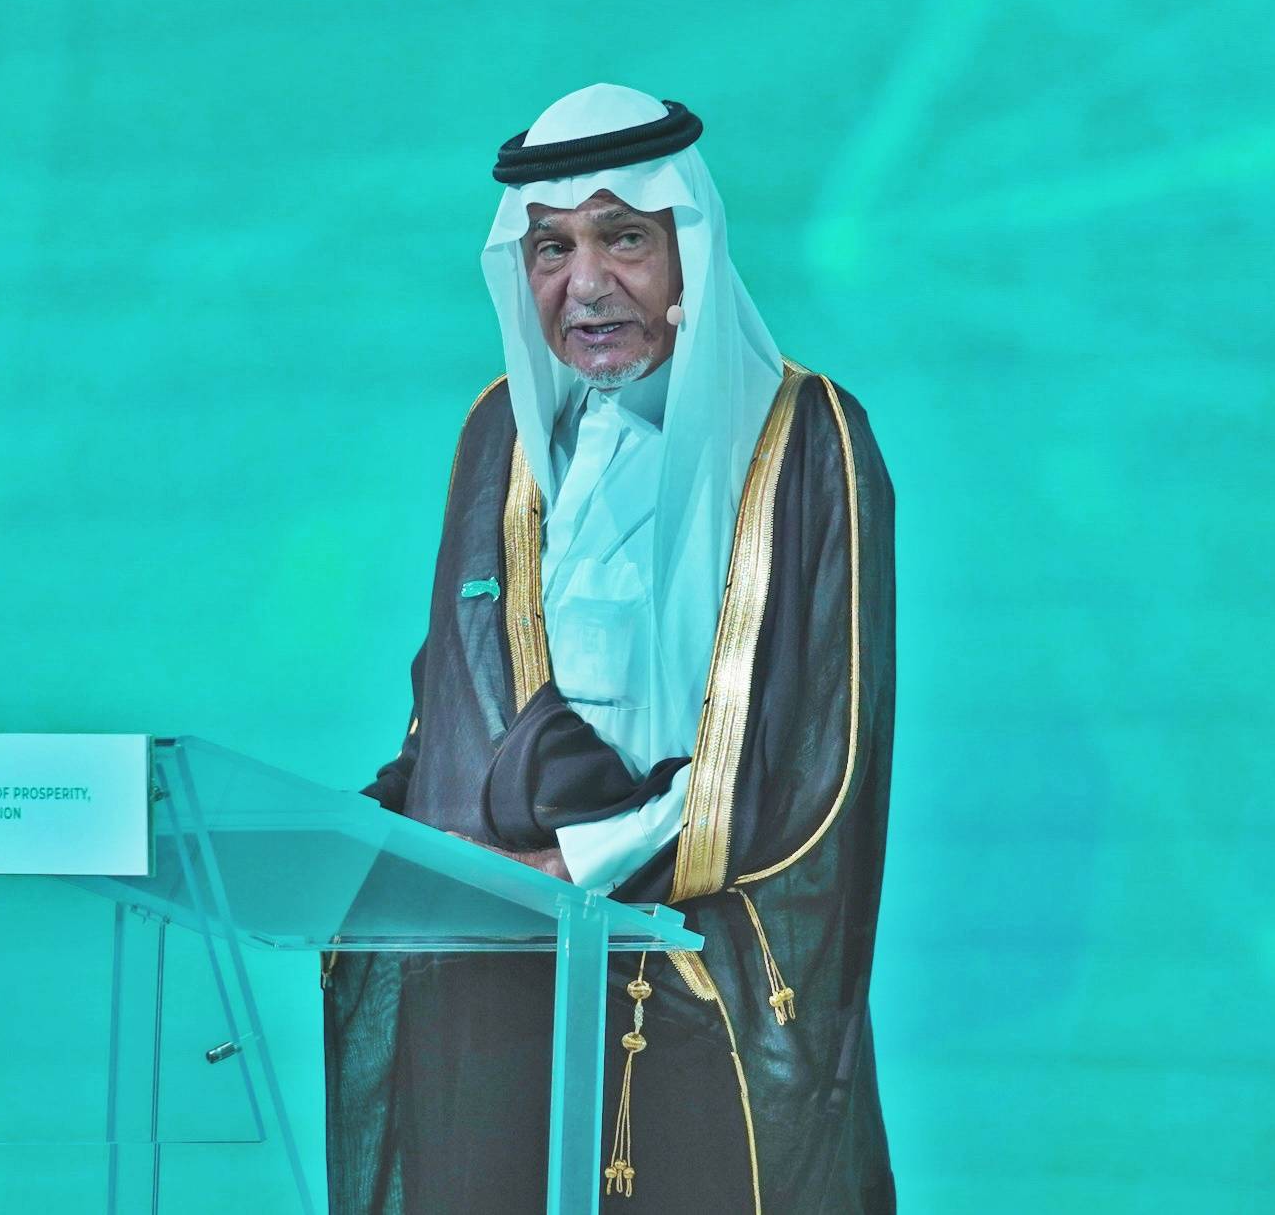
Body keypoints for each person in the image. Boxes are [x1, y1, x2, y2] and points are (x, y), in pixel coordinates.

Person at [324, 85, 896, 1212]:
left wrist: (574, 869)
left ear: (686, 250)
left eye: (622, 238)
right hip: (499, 977)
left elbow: (817, 759)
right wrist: (362, 841)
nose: (584, 284)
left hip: (690, 981)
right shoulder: (499, 433)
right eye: (552, 248)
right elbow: (452, 704)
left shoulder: (802, 441)